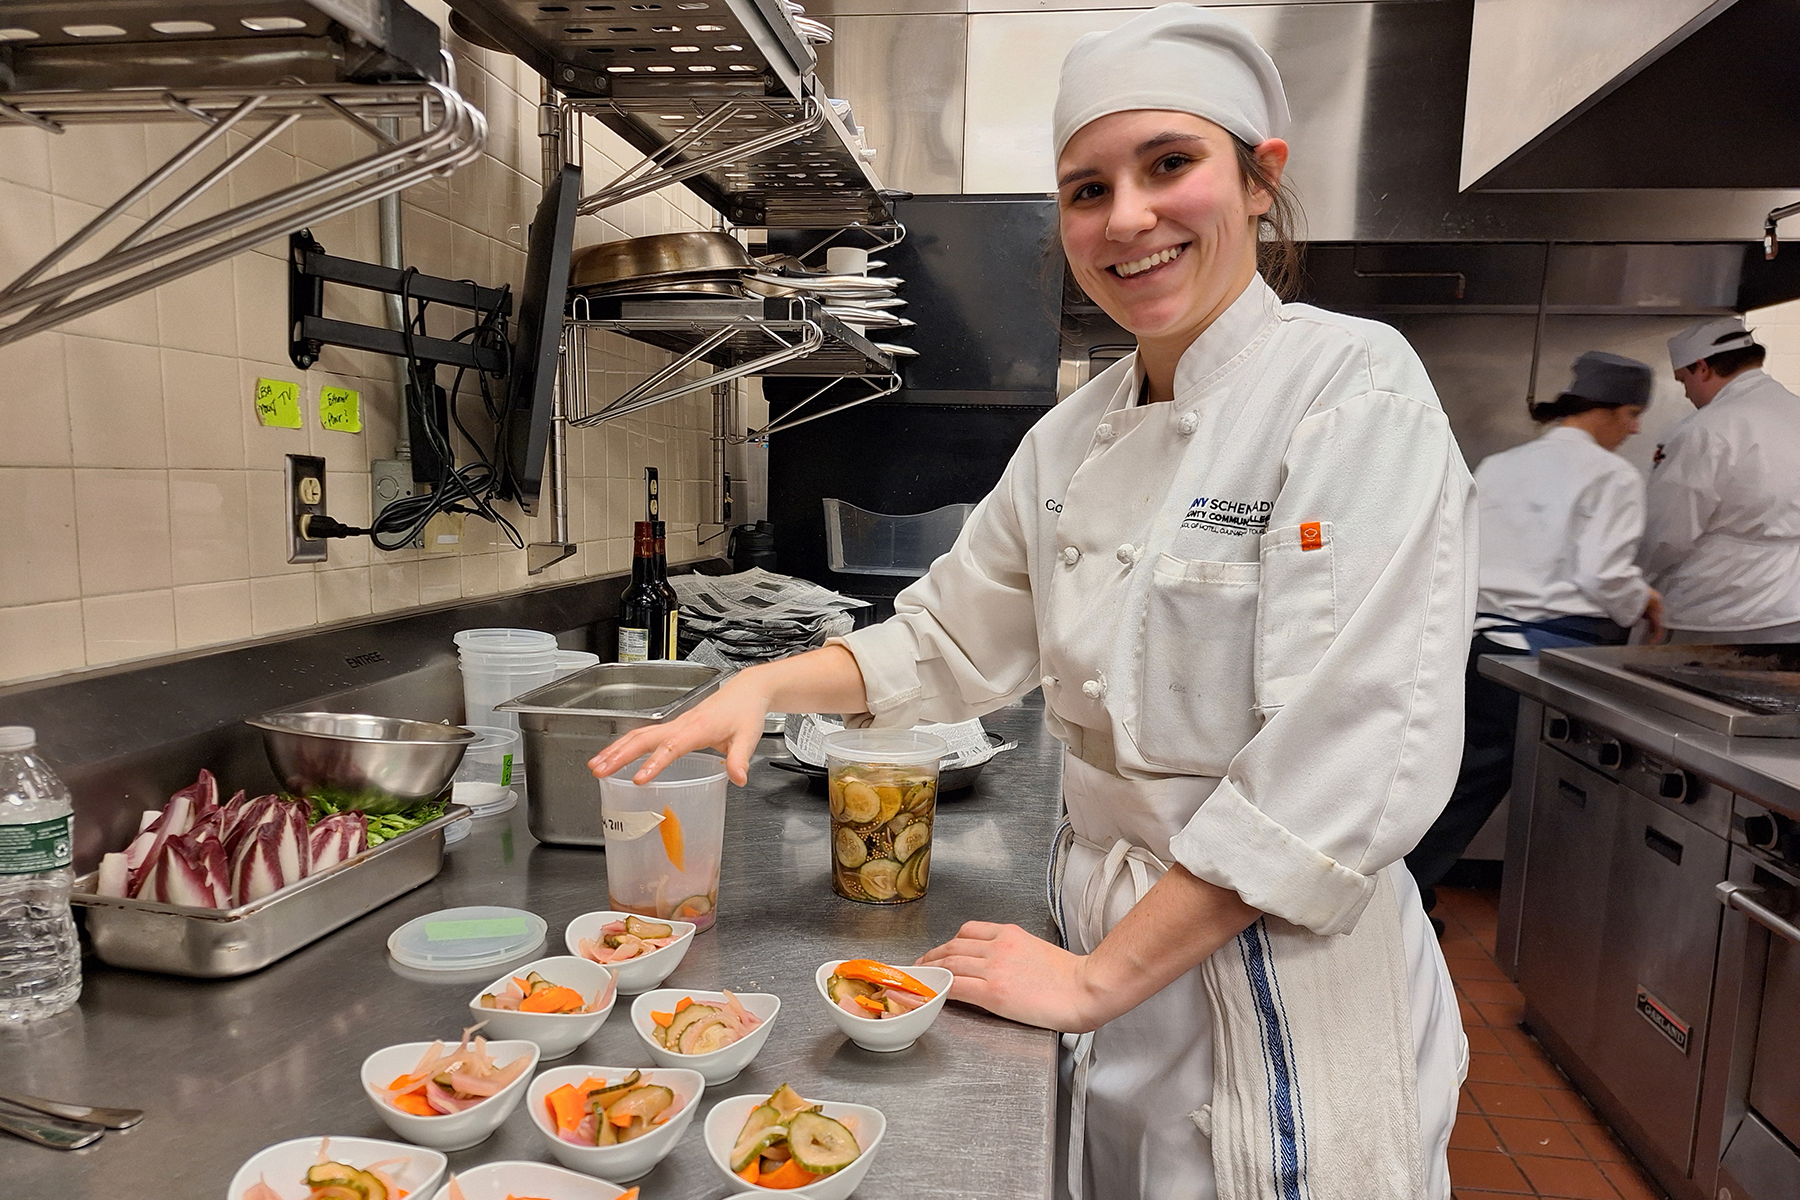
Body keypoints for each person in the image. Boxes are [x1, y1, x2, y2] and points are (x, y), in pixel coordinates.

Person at [589, 8, 1472, 1198]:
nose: (1127, 219)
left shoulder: (1352, 390)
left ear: (1261, 179)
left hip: (1277, 968)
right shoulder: (1072, 437)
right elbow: (951, 638)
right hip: (1109, 940)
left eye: (1170, 165)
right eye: (1086, 188)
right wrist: (758, 682)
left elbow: (1347, 760)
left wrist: (1098, 981)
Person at [1405, 351, 1662, 920]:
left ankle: (1404, 897)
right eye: (1633, 413)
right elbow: (1604, 575)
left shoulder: (1502, 464)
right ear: (1608, 411)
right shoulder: (1612, 475)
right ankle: (1401, 903)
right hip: (1551, 658)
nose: (1637, 427)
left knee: (1449, 784)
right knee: (1501, 792)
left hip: (1477, 649)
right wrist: (1644, 599)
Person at [1641, 317, 1800, 642]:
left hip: (1713, 609)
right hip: (1790, 610)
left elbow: (1666, 531)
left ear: (1703, 367)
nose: (1686, 393)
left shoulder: (1705, 428)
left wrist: (1633, 581)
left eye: (1683, 380)